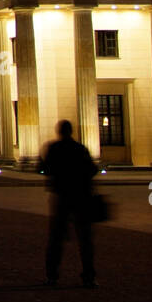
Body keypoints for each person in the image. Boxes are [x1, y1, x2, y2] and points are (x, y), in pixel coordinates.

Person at [42, 119, 98, 287]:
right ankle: (88, 276)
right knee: (85, 240)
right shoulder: (80, 148)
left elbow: (45, 168)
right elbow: (93, 169)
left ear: (59, 132)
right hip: (80, 197)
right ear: (71, 131)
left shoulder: (54, 149)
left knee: (56, 239)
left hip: (62, 197)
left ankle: (52, 275)